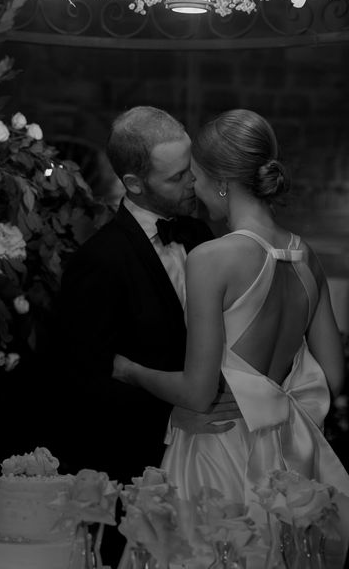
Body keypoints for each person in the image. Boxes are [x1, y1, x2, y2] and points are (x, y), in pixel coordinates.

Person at [112, 109, 349, 567]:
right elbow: (334, 378)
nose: (191, 185)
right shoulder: (306, 255)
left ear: (221, 181)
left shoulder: (213, 257)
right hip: (286, 464)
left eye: (195, 175)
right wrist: (267, 390)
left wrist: (128, 370)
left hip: (216, 451)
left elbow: (197, 391)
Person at [50, 106, 238, 567]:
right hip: (136, 471)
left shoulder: (200, 233)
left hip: (210, 459)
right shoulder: (99, 261)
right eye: (176, 178)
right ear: (135, 184)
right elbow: (84, 388)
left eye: (190, 170)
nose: (192, 183)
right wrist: (181, 404)